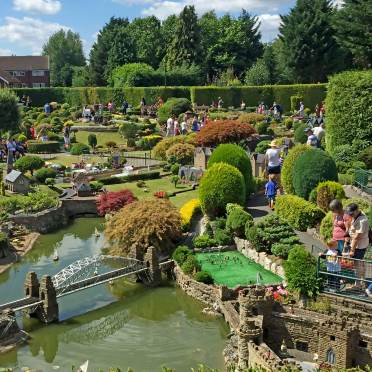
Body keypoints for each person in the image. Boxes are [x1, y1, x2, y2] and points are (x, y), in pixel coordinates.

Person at [345, 203, 370, 289]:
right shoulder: (358, 214)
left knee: (357, 264)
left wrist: (352, 250)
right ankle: (363, 280)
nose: (350, 215)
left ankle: (358, 284)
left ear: (356, 210)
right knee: (360, 263)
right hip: (358, 244)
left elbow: (357, 237)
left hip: (359, 245)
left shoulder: (362, 220)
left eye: (351, 213)